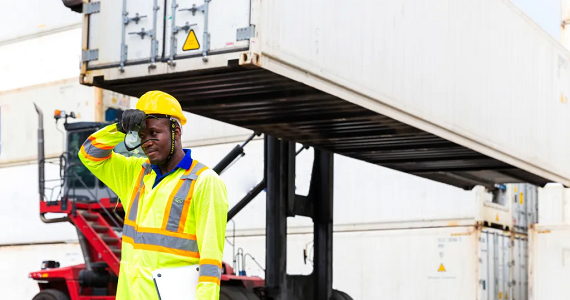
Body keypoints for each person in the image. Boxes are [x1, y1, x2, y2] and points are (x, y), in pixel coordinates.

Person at [78, 90, 228, 300]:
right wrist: (119, 129)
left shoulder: (205, 182)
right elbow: (88, 154)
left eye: (154, 133)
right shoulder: (134, 174)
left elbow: (210, 262)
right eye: (141, 135)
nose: (146, 142)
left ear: (175, 131)